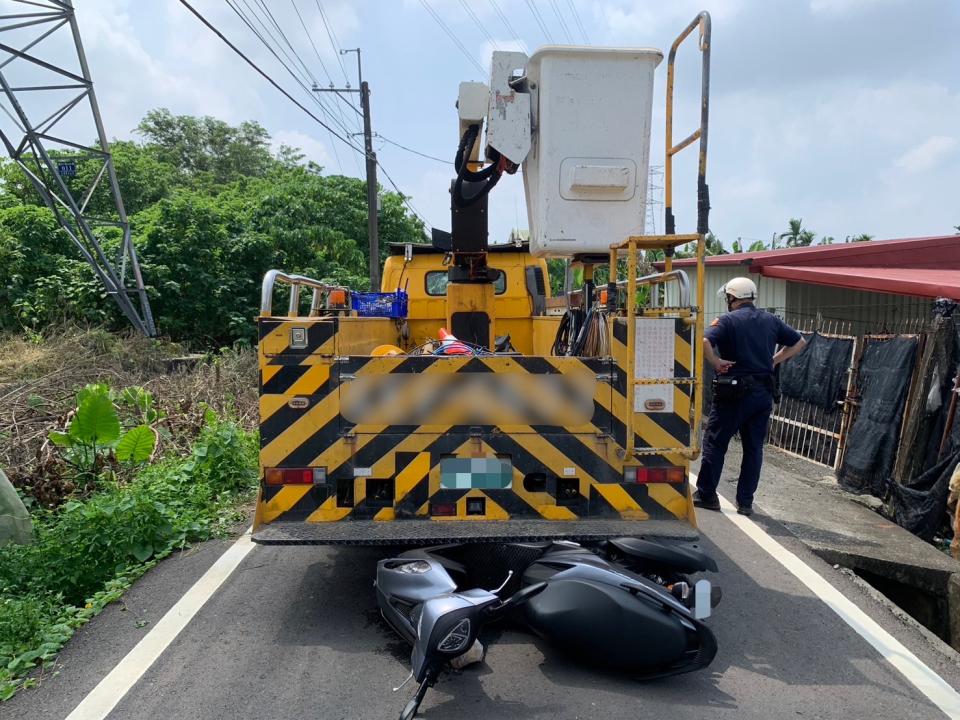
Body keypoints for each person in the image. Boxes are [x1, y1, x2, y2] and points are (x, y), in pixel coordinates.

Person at [693, 277, 806, 516]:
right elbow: (799, 342)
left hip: (733, 393)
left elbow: (703, 340)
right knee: (754, 448)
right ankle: (745, 503)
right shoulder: (771, 320)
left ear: (732, 298)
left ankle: (707, 495)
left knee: (716, 442)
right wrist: (773, 361)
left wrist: (715, 361)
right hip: (762, 394)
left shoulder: (727, 321)